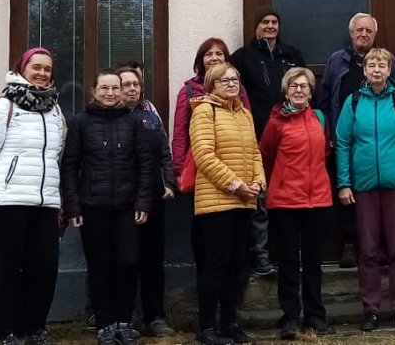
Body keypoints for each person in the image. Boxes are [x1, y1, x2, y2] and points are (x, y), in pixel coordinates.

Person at [0, 48, 66, 345]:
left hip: (44, 201)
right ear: (23, 68)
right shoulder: (4, 106)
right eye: (36, 67)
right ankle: (7, 331)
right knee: (9, 269)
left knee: (46, 269)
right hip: (7, 200)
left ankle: (35, 328)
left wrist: (57, 198)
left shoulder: (54, 108)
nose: (42, 73)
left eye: (47, 69)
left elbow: (56, 155)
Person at [61, 70, 154, 345]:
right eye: (105, 88)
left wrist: (143, 201)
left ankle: (124, 321)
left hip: (128, 207)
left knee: (128, 262)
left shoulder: (135, 121)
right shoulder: (80, 123)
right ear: (94, 91)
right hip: (93, 208)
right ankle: (105, 324)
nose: (111, 93)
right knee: (100, 266)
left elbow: (145, 165)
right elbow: (70, 168)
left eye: (115, 88)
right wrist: (73, 208)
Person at [334, 48, 395, 332]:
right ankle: (370, 309)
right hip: (364, 186)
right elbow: (343, 143)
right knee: (368, 250)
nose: (376, 69)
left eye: (382, 65)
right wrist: (344, 183)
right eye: (371, 64)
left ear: (389, 70)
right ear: (364, 70)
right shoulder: (353, 101)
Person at [318, 13, 395, 267]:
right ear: (351, 33)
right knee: (347, 194)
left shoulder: (386, 60)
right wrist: (329, 132)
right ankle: (350, 244)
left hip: (381, 142)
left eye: (368, 30)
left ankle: (382, 246)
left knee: (378, 196)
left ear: (374, 35)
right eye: (359, 30)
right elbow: (325, 96)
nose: (363, 34)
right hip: (345, 139)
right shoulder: (337, 60)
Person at [189, 62, 265, 345]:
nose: (232, 84)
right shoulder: (204, 112)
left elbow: (255, 153)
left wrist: (258, 183)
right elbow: (205, 157)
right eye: (225, 81)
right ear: (212, 85)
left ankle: (230, 323)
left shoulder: (244, 114)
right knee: (215, 265)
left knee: (238, 265)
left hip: (244, 202)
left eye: (235, 79)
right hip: (216, 203)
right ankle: (207, 327)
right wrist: (237, 185)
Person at [231, 7, 306, 277]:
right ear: (255, 26)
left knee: (289, 198)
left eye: (275, 22)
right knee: (259, 202)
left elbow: (304, 86)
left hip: (292, 138)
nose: (270, 26)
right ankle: (261, 257)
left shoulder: (291, 55)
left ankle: (292, 254)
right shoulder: (242, 57)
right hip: (257, 139)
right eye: (265, 22)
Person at [258, 67, 333, 340]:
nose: (299, 90)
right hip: (286, 201)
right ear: (286, 91)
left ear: (311, 92)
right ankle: (290, 316)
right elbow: (266, 155)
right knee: (289, 262)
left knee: (313, 262)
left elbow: (324, 153)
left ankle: (315, 314)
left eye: (304, 86)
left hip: (318, 200)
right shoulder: (276, 122)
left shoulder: (320, 119)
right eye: (294, 86)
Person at [116, 62, 177, 338]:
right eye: (126, 84)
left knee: (154, 260)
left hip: (153, 198)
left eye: (135, 84)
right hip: (121, 200)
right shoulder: (110, 116)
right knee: (125, 261)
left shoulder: (151, 114)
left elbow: (164, 150)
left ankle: (155, 316)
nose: (131, 88)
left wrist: (168, 182)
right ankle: (122, 318)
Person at [172, 38, 249, 180]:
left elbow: (248, 129)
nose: (214, 58)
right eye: (209, 54)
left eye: (219, 54)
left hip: (235, 163)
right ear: (201, 60)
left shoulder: (238, 90)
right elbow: (180, 134)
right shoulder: (188, 91)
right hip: (199, 166)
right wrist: (179, 169)